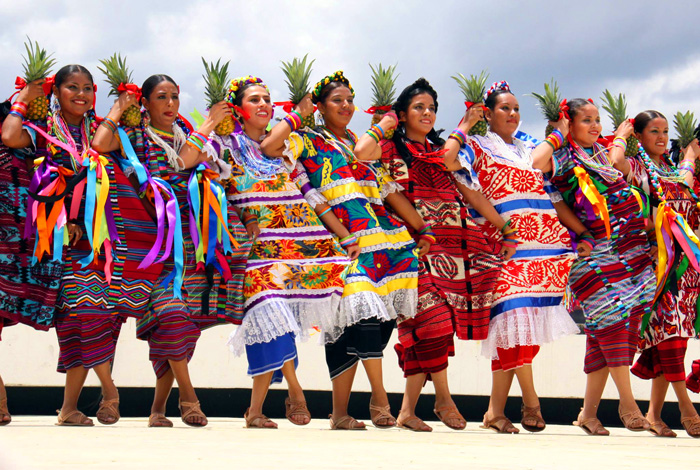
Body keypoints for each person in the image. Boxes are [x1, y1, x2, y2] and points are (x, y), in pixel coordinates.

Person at [261, 71, 419, 430]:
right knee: (360, 317)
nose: (346, 105)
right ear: (319, 106)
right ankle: (380, 397)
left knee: (369, 323)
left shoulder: (361, 142)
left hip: (384, 237)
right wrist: (296, 117)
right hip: (341, 241)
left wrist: (422, 229)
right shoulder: (307, 139)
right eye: (337, 100)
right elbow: (271, 148)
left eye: (350, 99)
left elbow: (387, 189)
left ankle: (340, 413)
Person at [92, 74, 248, 427]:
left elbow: (208, 169)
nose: (171, 104)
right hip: (154, 242)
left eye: (175, 96)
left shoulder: (186, 132)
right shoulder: (136, 134)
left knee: (182, 325)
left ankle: (158, 409)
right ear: (145, 102)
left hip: (194, 241)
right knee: (172, 313)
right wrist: (119, 108)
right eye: (161, 97)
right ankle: (189, 397)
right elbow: (104, 145)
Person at [353, 77, 502, 431]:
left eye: (432, 108)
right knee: (435, 322)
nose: (427, 113)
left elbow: (471, 193)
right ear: (402, 114)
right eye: (419, 107)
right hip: (409, 247)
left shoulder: (440, 152)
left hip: (453, 249)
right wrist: (386, 124)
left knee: (427, 330)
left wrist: (505, 228)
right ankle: (444, 400)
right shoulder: (389, 148)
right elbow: (361, 152)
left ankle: (406, 411)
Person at [203, 76, 348, 428]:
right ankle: (296, 392)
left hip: (307, 245)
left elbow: (310, 193)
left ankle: (255, 411)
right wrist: (210, 121)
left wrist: (344, 236)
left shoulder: (284, 148)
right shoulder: (224, 144)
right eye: (255, 99)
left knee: (356, 294)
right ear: (237, 108)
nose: (265, 104)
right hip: (259, 249)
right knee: (270, 309)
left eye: (268, 98)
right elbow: (202, 174)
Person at [445, 81, 579, 433]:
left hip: (545, 246)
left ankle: (494, 412)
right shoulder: (475, 145)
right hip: (505, 244)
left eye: (517, 108)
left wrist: (582, 231)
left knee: (521, 330)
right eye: (504, 108)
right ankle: (532, 402)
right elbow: (448, 161)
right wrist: (464, 125)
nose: (513, 114)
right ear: (486, 113)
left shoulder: (530, 144)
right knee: (514, 318)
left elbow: (550, 183)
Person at [3, 65, 132, 426]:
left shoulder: (102, 131)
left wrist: (118, 109)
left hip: (100, 239)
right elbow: (11, 137)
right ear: (56, 92)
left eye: (88, 88)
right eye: (72, 87)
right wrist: (27, 99)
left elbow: (101, 147)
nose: (81, 94)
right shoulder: (44, 130)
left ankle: (70, 407)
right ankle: (105, 391)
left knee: (87, 316)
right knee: (77, 316)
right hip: (55, 238)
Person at [533, 98, 655, 435]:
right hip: (593, 251)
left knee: (612, 327)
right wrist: (558, 134)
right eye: (586, 120)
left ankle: (588, 413)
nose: (595, 126)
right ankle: (628, 403)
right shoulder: (560, 156)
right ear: (569, 124)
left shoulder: (599, 152)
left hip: (630, 248)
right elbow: (536, 162)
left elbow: (621, 169)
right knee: (612, 320)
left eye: (597, 119)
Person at [611, 110, 700, 438]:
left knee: (670, 340)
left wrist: (691, 151)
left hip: (686, 268)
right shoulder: (639, 168)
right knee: (671, 336)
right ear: (640, 136)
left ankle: (654, 415)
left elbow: (688, 179)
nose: (661, 137)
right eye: (653, 131)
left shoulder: (673, 170)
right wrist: (623, 134)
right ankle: (686, 408)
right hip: (658, 268)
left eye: (665, 131)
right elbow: (614, 162)